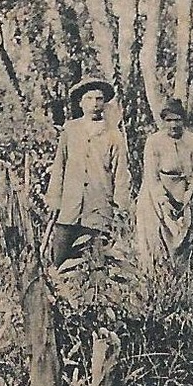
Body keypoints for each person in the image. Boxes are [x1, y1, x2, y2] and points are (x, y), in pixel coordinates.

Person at [45, 77, 133, 268]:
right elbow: (60, 165)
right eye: (89, 99)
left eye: (99, 99)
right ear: (81, 103)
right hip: (69, 207)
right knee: (59, 261)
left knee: (96, 263)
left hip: (98, 207)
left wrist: (121, 207)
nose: (95, 104)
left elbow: (121, 174)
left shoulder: (114, 134)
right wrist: (54, 198)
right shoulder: (70, 129)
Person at [134, 97, 193, 272]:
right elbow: (152, 176)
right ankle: (156, 277)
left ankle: (184, 277)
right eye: (169, 120)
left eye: (178, 120)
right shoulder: (154, 142)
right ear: (163, 122)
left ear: (184, 120)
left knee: (185, 237)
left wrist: (191, 191)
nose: (174, 125)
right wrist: (163, 200)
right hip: (155, 193)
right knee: (157, 239)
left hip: (183, 191)